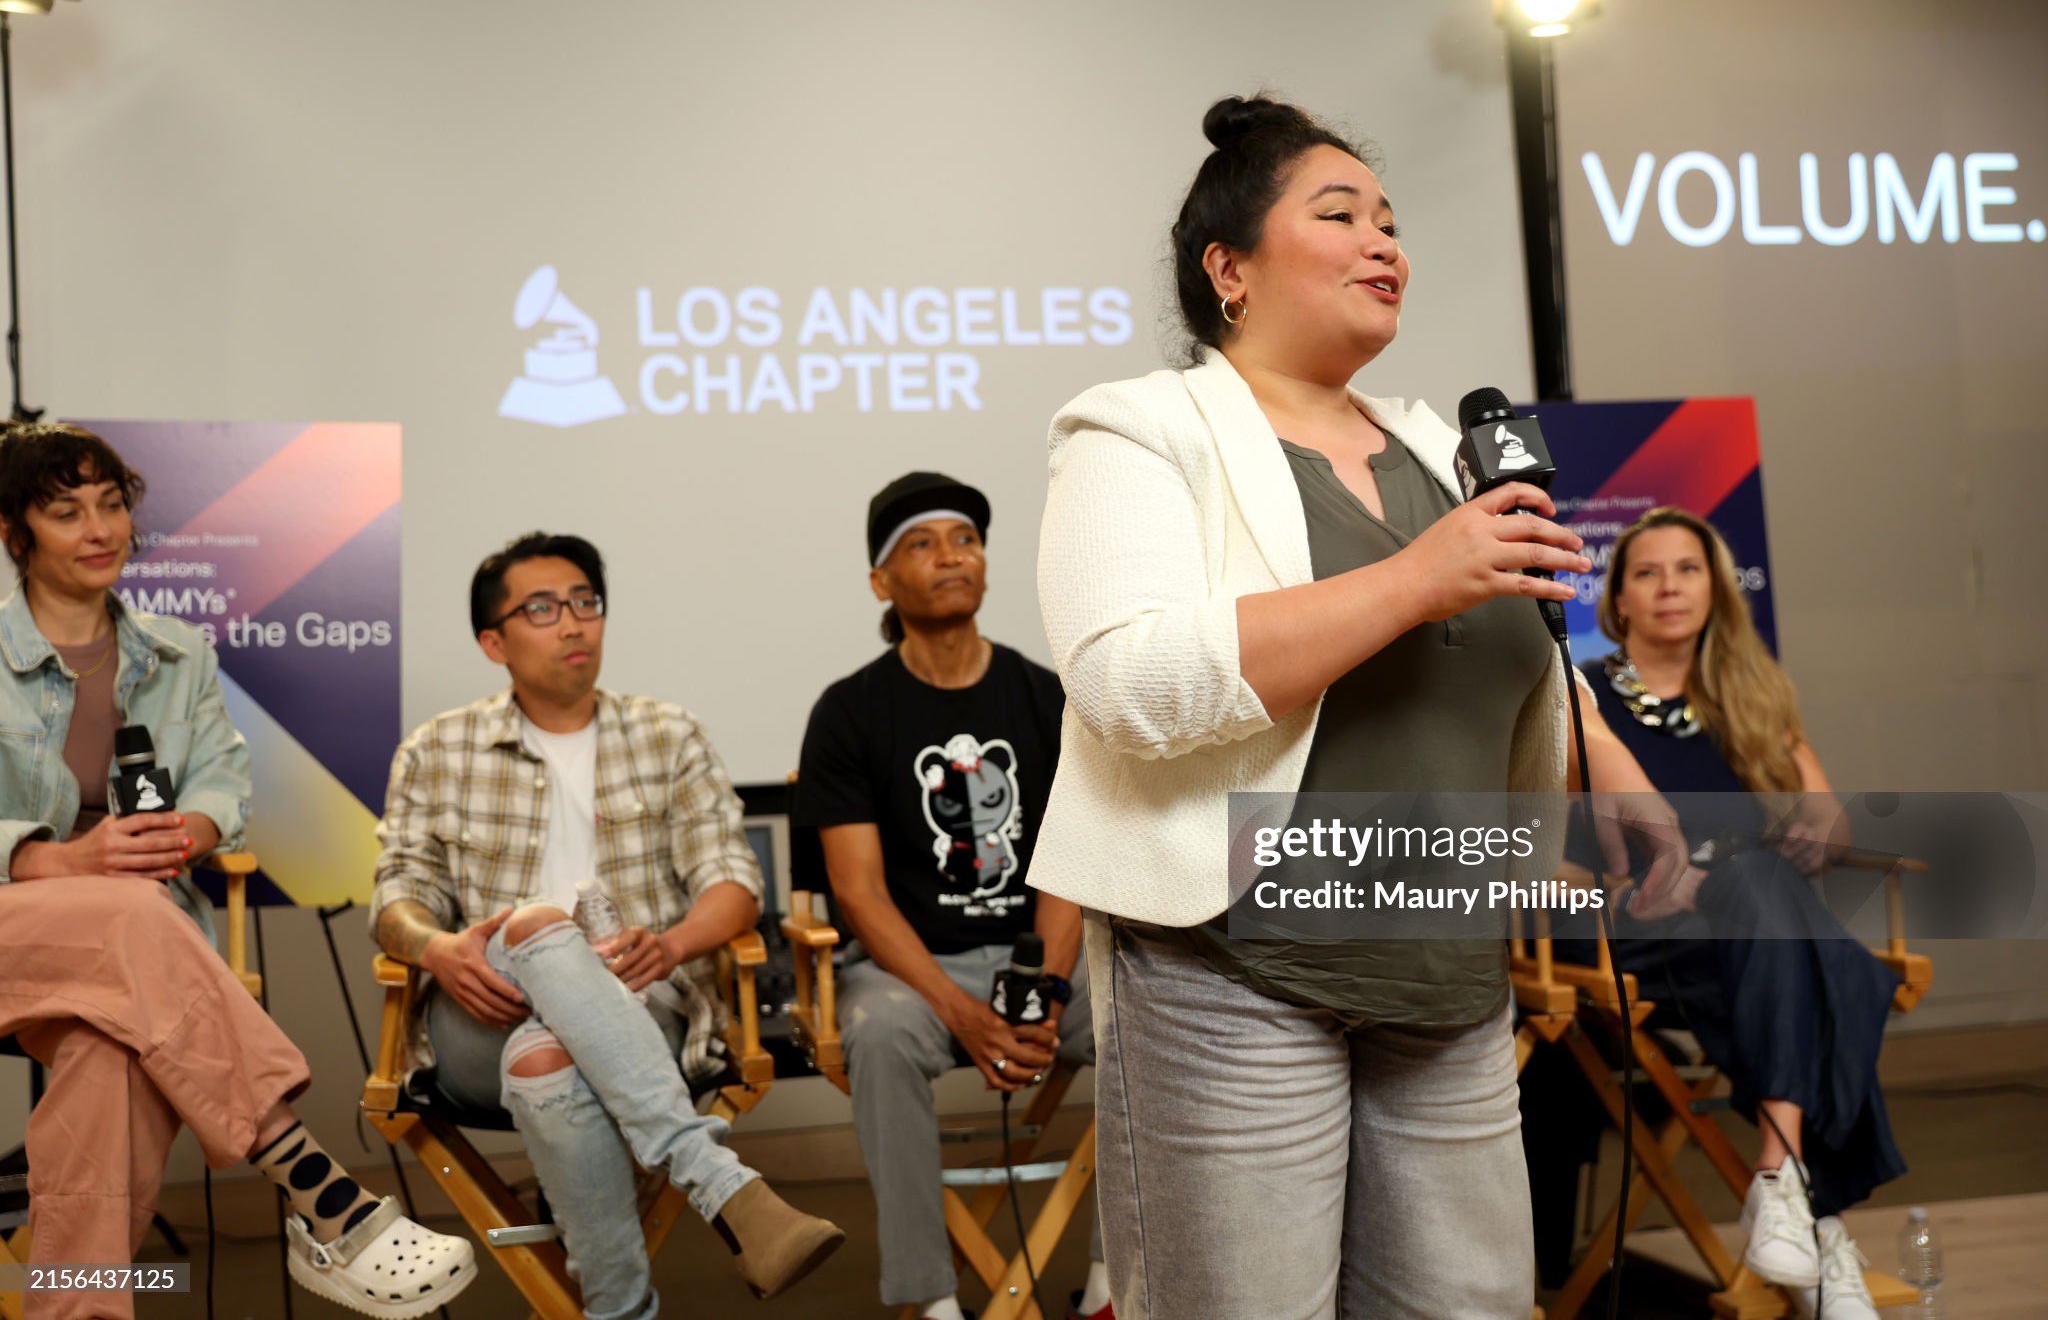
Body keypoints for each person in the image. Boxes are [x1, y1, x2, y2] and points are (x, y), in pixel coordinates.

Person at [1030, 95, 1683, 1319]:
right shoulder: (1135, 431)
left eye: (1389, 219)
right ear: (1228, 268)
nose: (1384, 242)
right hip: (1237, 969)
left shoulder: (1441, 450)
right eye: (1339, 216)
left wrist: (1616, 771)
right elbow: (1126, 683)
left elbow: (1501, 651)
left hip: (1447, 967)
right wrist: (1407, 578)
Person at [0, 421, 476, 1320]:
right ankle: (317, 1185)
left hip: (128, 960)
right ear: (13, 533)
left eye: (112, 505)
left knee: (111, 1059)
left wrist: (194, 826)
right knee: (135, 916)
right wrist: (54, 857)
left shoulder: (180, 654)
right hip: (22, 925)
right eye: (68, 511)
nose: (101, 528)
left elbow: (224, 776)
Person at [370, 531, 843, 1320]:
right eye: (543, 608)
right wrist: (439, 947)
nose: (574, 623)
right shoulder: (438, 748)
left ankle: (620, 1311)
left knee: (547, 1057)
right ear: (494, 640)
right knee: (533, 926)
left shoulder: (669, 733)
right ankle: (723, 1183)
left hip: (637, 1003)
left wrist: (674, 944)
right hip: (481, 1012)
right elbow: (396, 898)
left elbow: (733, 881)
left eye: (586, 602)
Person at [1576, 506, 1903, 1320]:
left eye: (1687, 569)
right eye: (1646, 572)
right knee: (1844, 972)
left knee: (1769, 895)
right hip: (1642, 926)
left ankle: (1784, 1187)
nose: (1669, 587)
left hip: (1748, 938)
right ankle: (1813, 1219)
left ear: (1716, 589)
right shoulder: (1581, 702)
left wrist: (1814, 831)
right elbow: (1543, 843)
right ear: (1616, 601)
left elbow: (1831, 819)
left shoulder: (1753, 696)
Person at [795, 472, 1108, 1320]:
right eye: (921, 544)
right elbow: (857, 894)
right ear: (880, 581)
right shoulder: (850, 712)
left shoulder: (1046, 696)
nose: (951, 556)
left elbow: (1071, 860)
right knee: (881, 1031)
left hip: (1037, 951)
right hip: (906, 969)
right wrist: (957, 1008)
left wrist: (1045, 987)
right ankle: (929, 1297)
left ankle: (1123, 1279)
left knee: (1136, 1016)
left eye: (965, 538)